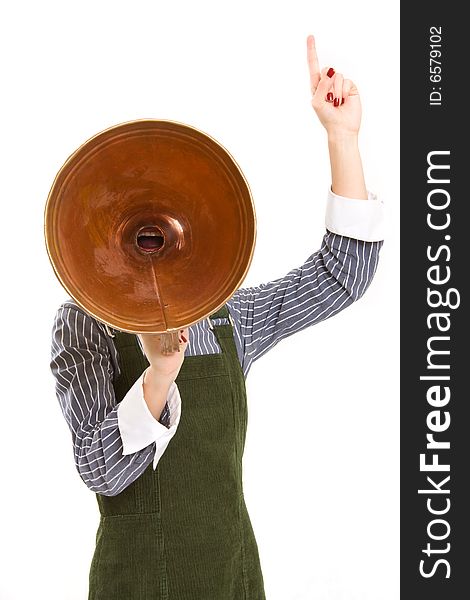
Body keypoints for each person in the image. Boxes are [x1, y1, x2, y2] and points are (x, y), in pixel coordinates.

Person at [50, 35, 384, 600]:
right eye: (138, 233)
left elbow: (342, 275)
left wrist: (342, 138)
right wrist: (159, 374)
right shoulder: (85, 321)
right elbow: (101, 473)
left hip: (231, 575)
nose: (150, 243)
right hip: (135, 583)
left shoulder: (232, 318)